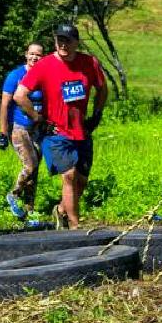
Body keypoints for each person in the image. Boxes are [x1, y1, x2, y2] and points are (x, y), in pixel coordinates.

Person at [14, 24, 107, 230]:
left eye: (67, 40)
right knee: (69, 175)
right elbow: (19, 95)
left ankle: (62, 211)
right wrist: (38, 118)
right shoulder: (45, 65)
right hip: (56, 131)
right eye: (59, 40)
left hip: (81, 130)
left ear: (77, 42)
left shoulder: (89, 63)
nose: (63, 44)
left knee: (81, 181)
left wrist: (97, 114)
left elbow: (102, 89)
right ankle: (75, 227)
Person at [0, 42, 45, 224]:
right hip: (19, 127)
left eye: (38, 55)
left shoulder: (43, 75)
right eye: (31, 54)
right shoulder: (16, 75)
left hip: (37, 129)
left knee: (34, 174)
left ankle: (30, 213)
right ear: (26, 55)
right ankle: (14, 194)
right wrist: (2, 133)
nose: (34, 58)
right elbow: (4, 105)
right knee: (30, 165)